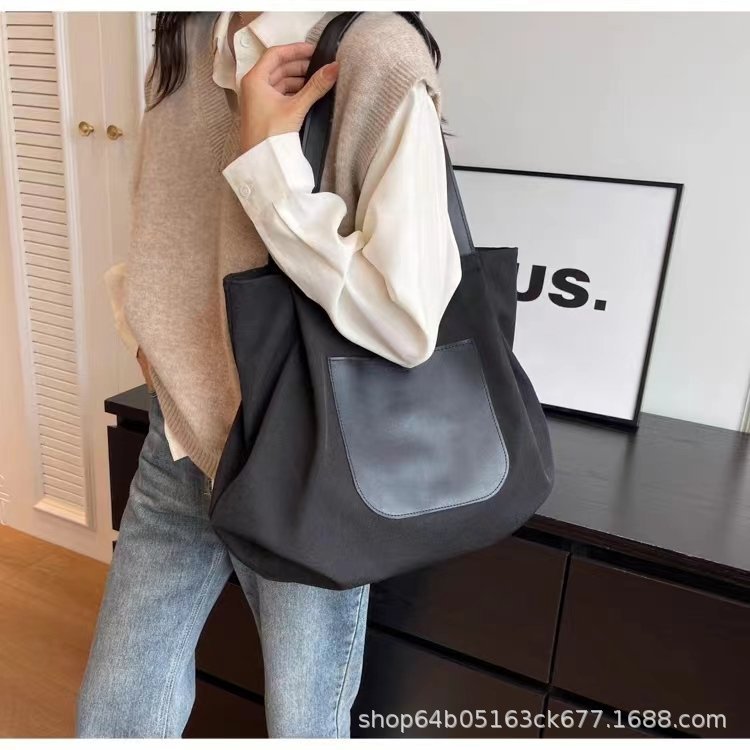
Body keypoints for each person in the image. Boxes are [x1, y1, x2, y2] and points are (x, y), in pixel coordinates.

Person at [76, 10, 461, 738]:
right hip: (179, 433)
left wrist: (268, 159)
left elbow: (406, 320)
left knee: (303, 724)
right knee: (114, 718)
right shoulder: (189, 33)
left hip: (305, 457)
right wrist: (145, 330)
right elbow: (165, 206)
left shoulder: (377, 52)